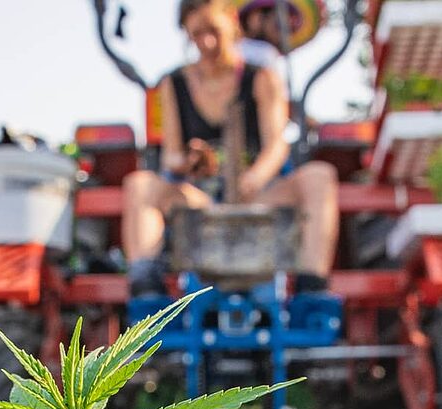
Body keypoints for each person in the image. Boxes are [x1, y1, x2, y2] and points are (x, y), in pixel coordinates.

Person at [122, 0, 338, 297]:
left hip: (257, 197)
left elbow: (276, 146)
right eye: (196, 34)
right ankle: (147, 292)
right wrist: (189, 161)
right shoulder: (173, 83)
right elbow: (171, 154)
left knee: (319, 177)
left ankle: (311, 290)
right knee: (140, 185)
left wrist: (253, 179)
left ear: (232, 23)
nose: (206, 42)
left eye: (212, 30)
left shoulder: (262, 78)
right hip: (200, 199)